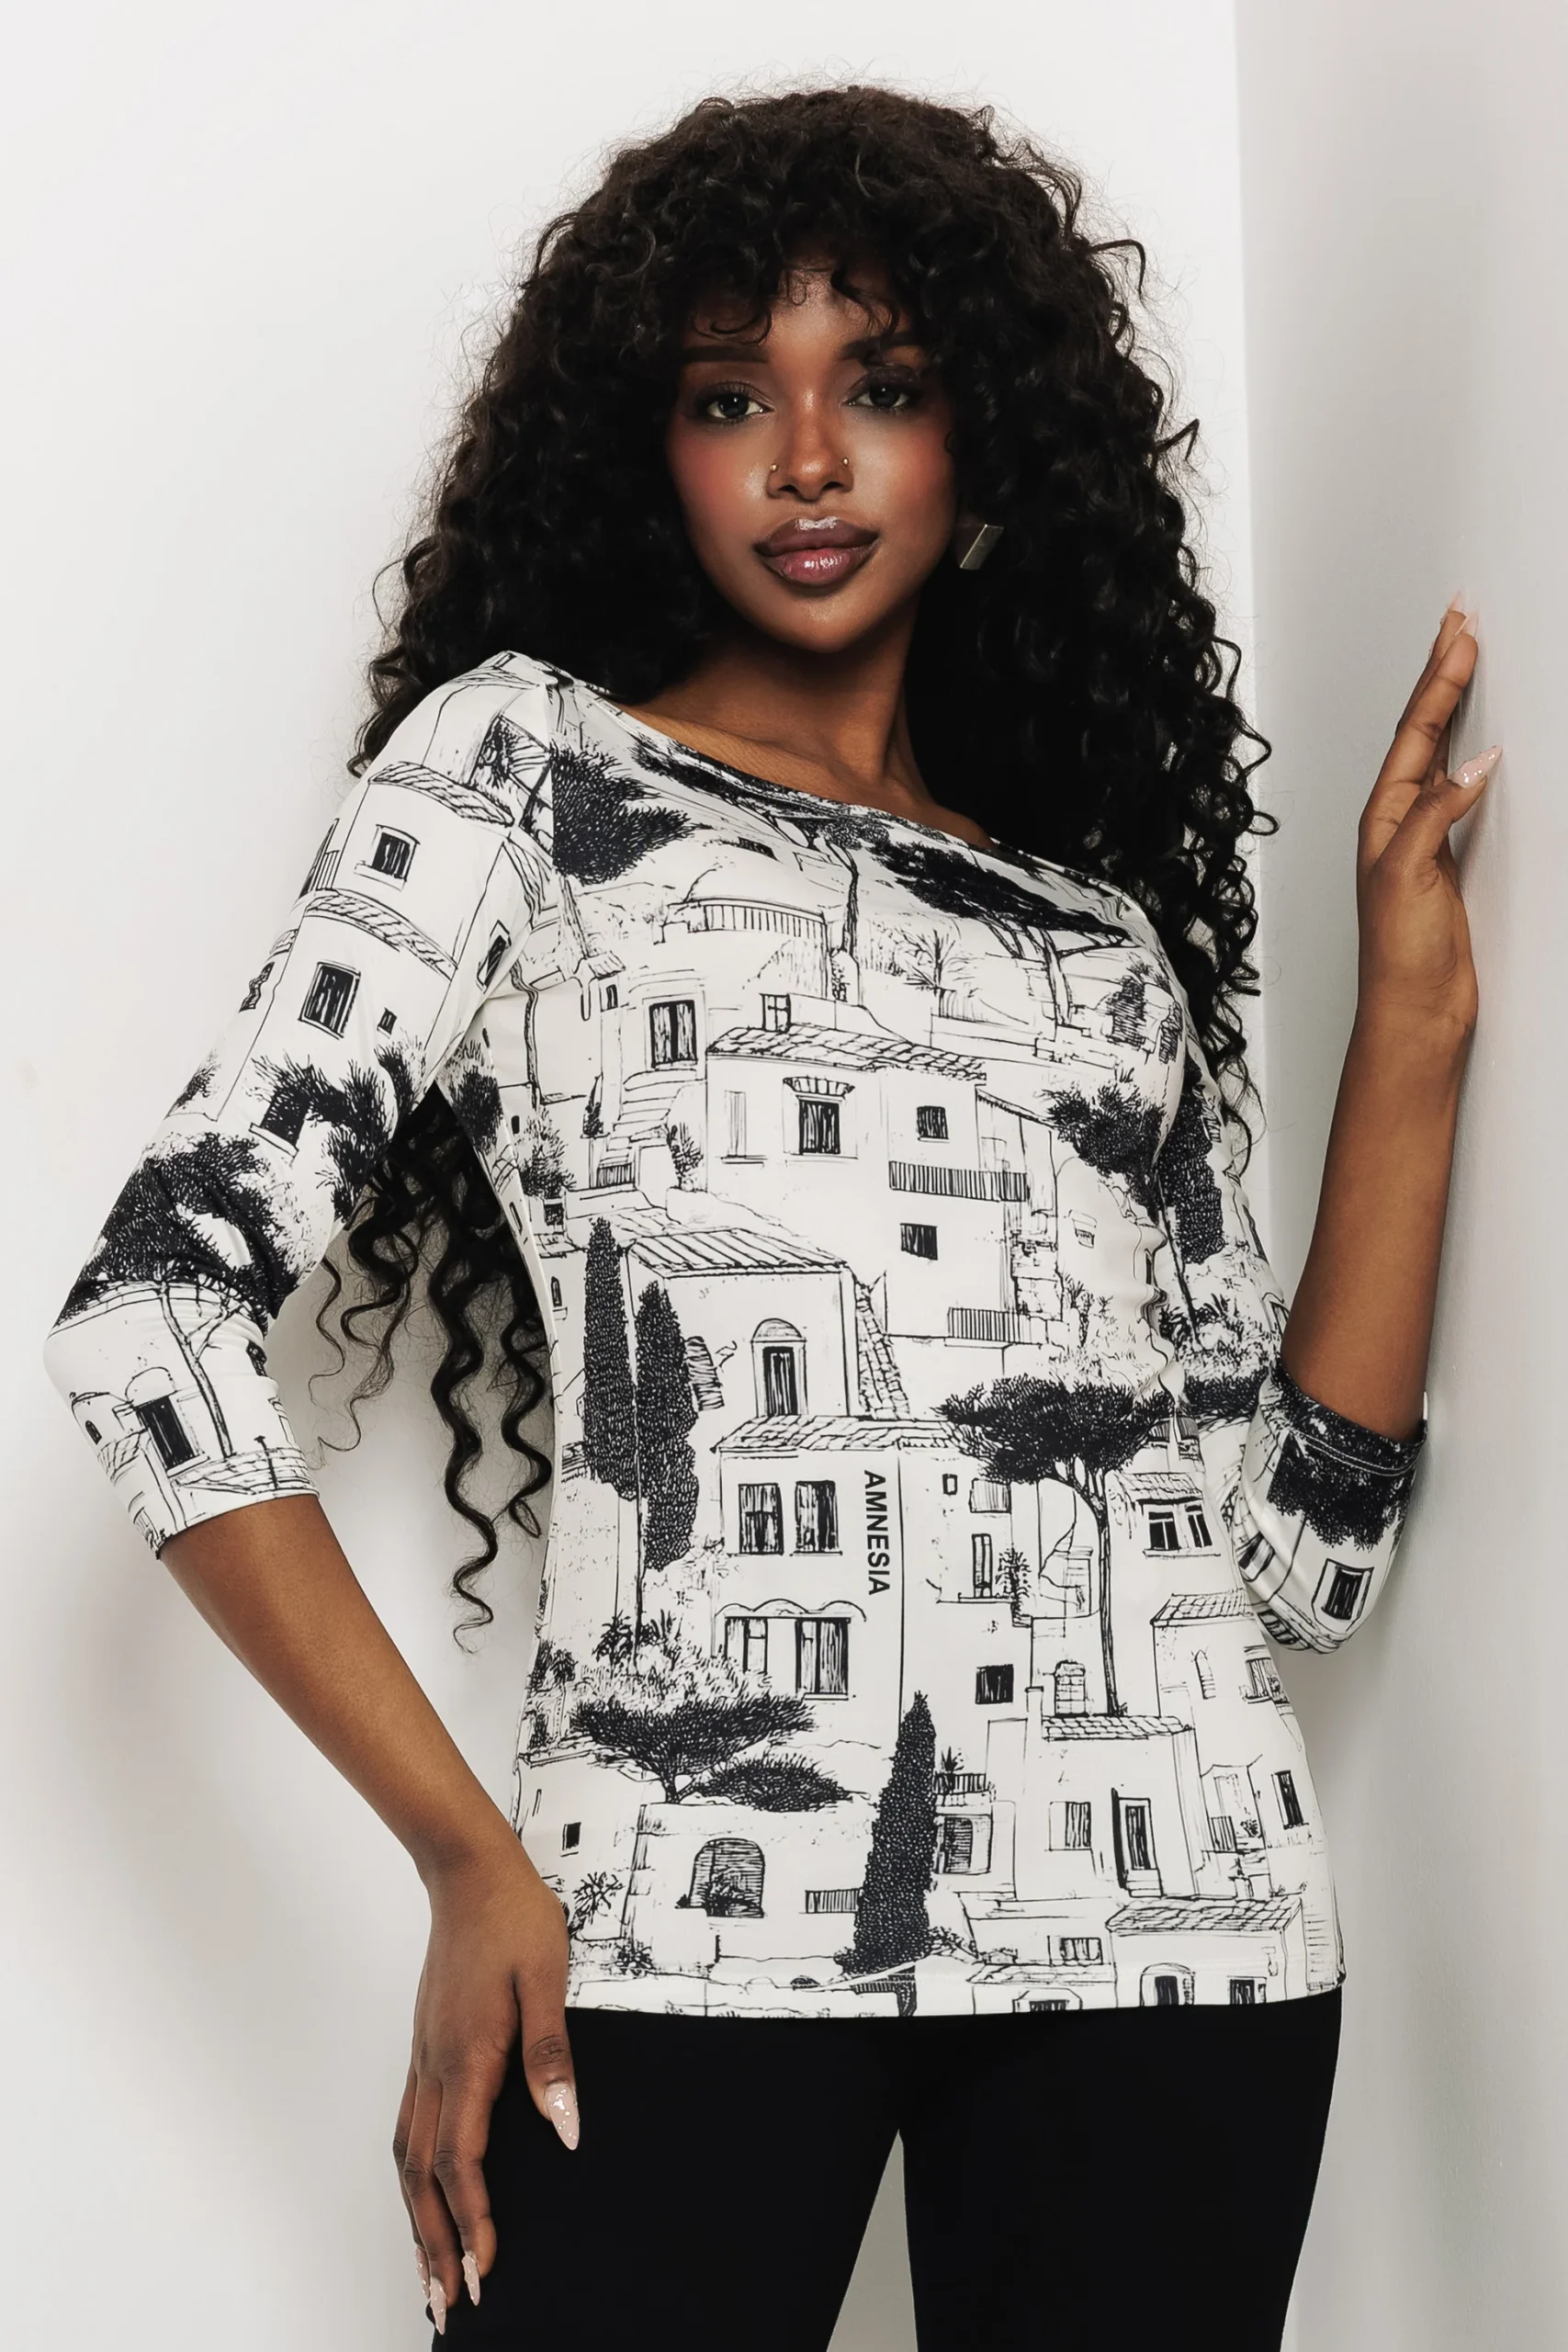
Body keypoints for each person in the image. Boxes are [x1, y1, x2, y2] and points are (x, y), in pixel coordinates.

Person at [42, 85, 1493, 2352]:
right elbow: (152, 1312)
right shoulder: (526, 775)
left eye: (878, 385)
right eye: (732, 396)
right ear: (650, 449)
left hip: (1184, 1948)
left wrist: (1407, 1020)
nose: (807, 459)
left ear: (988, 443)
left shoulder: (1093, 944)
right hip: (663, 1930)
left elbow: (1293, 1562)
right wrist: (460, 1849)